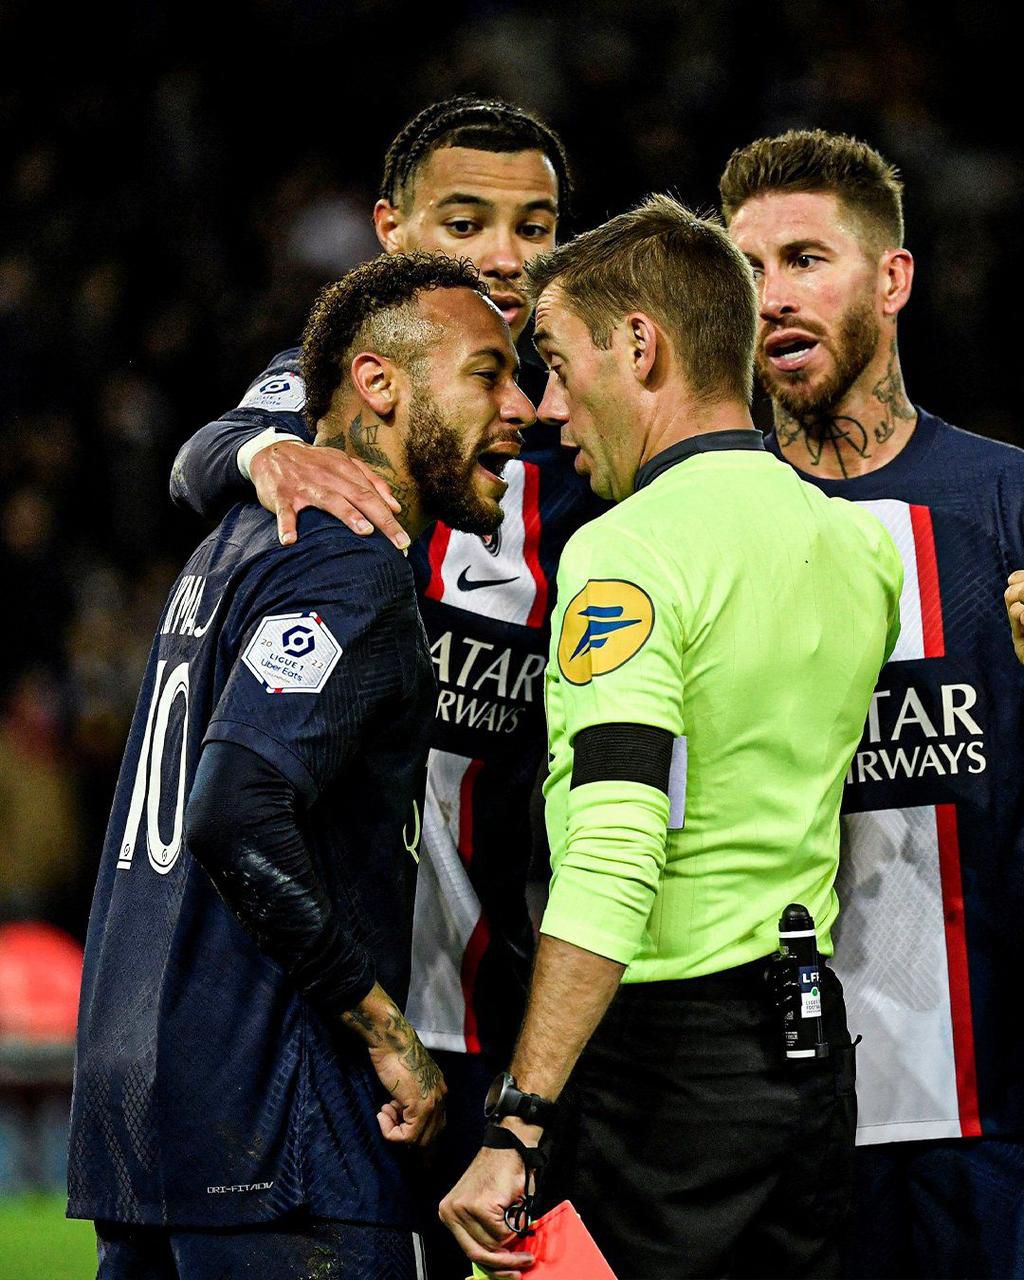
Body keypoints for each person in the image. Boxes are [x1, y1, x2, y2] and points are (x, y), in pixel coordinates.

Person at [168, 95, 604, 1278]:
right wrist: (265, 451)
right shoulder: (330, 423)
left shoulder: (575, 458)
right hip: (332, 1015)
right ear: (389, 231)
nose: (504, 255)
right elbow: (202, 452)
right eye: (465, 224)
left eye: (535, 226)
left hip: (492, 1014)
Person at [440, 195, 904, 1279]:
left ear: (640, 346)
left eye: (559, 364)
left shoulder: (627, 553)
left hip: (659, 1082)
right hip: (806, 1068)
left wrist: (518, 1120)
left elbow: (616, 846)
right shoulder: (858, 549)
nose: (550, 409)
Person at [67, 251, 535, 1279]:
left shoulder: (237, 543)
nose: (525, 408)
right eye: (488, 374)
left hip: (147, 1120)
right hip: (281, 1132)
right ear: (378, 383)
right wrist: (384, 1029)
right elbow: (236, 808)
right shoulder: (347, 564)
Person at [720, 129, 1024, 1280]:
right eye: (746, 267)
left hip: (991, 1114)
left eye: (805, 258)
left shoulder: (1005, 499)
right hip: (776, 1126)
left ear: (891, 279)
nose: (771, 296)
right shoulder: (704, 523)